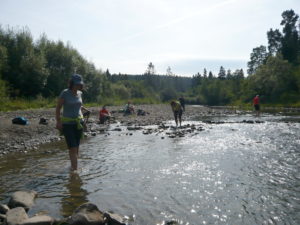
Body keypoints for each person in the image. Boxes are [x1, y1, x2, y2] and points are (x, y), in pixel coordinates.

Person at [56, 74, 90, 171]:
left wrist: (84, 122)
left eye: (80, 84)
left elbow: (79, 107)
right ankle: (75, 171)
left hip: (79, 123)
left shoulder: (80, 93)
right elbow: (58, 108)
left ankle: (73, 167)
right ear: (71, 83)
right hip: (67, 124)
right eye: (76, 84)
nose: (78, 86)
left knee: (77, 147)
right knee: (73, 148)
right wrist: (58, 122)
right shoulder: (65, 93)